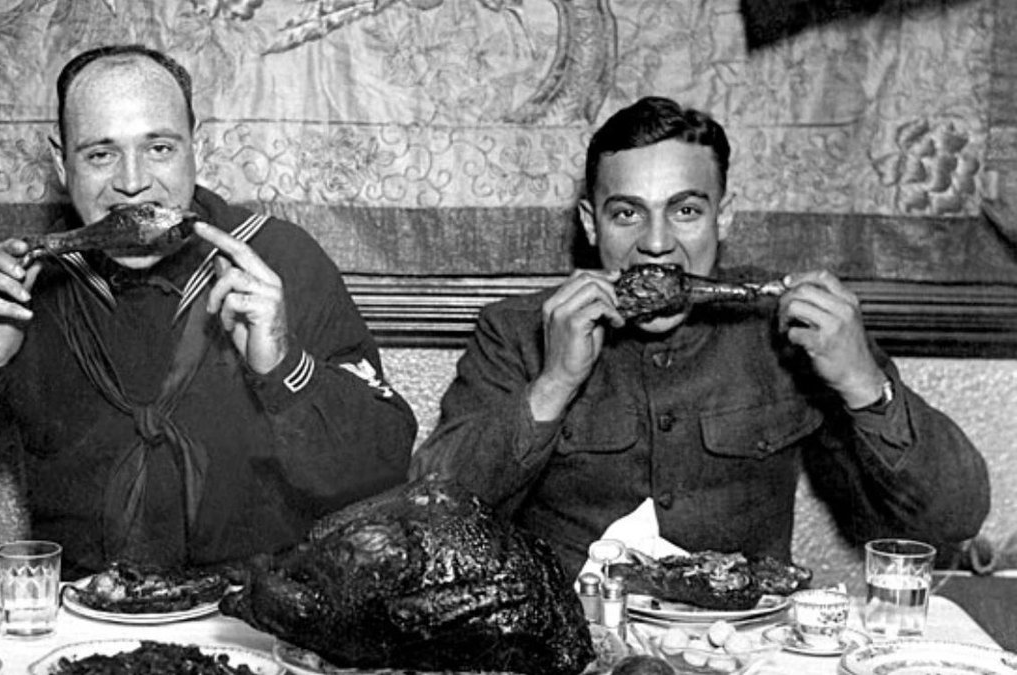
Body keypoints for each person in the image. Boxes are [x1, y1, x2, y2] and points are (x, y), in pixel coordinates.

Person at [0, 44, 417, 577]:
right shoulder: (17, 287)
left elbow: (380, 472)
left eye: (159, 148)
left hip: (258, 612)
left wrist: (283, 371)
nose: (132, 183)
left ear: (196, 148)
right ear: (62, 164)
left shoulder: (281, 261)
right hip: (83, 621)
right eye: (100, 154)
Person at [410, 96, 990, 576]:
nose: (657, 243)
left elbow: (952, 520)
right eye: (627, 214)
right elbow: (428, 519)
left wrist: (865, 382)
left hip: (742, 648)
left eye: (685, 211)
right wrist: (555, 383)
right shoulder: (515, 330)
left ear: (724, 217)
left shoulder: (788, 329)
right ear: (590, 223)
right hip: (572, 644)